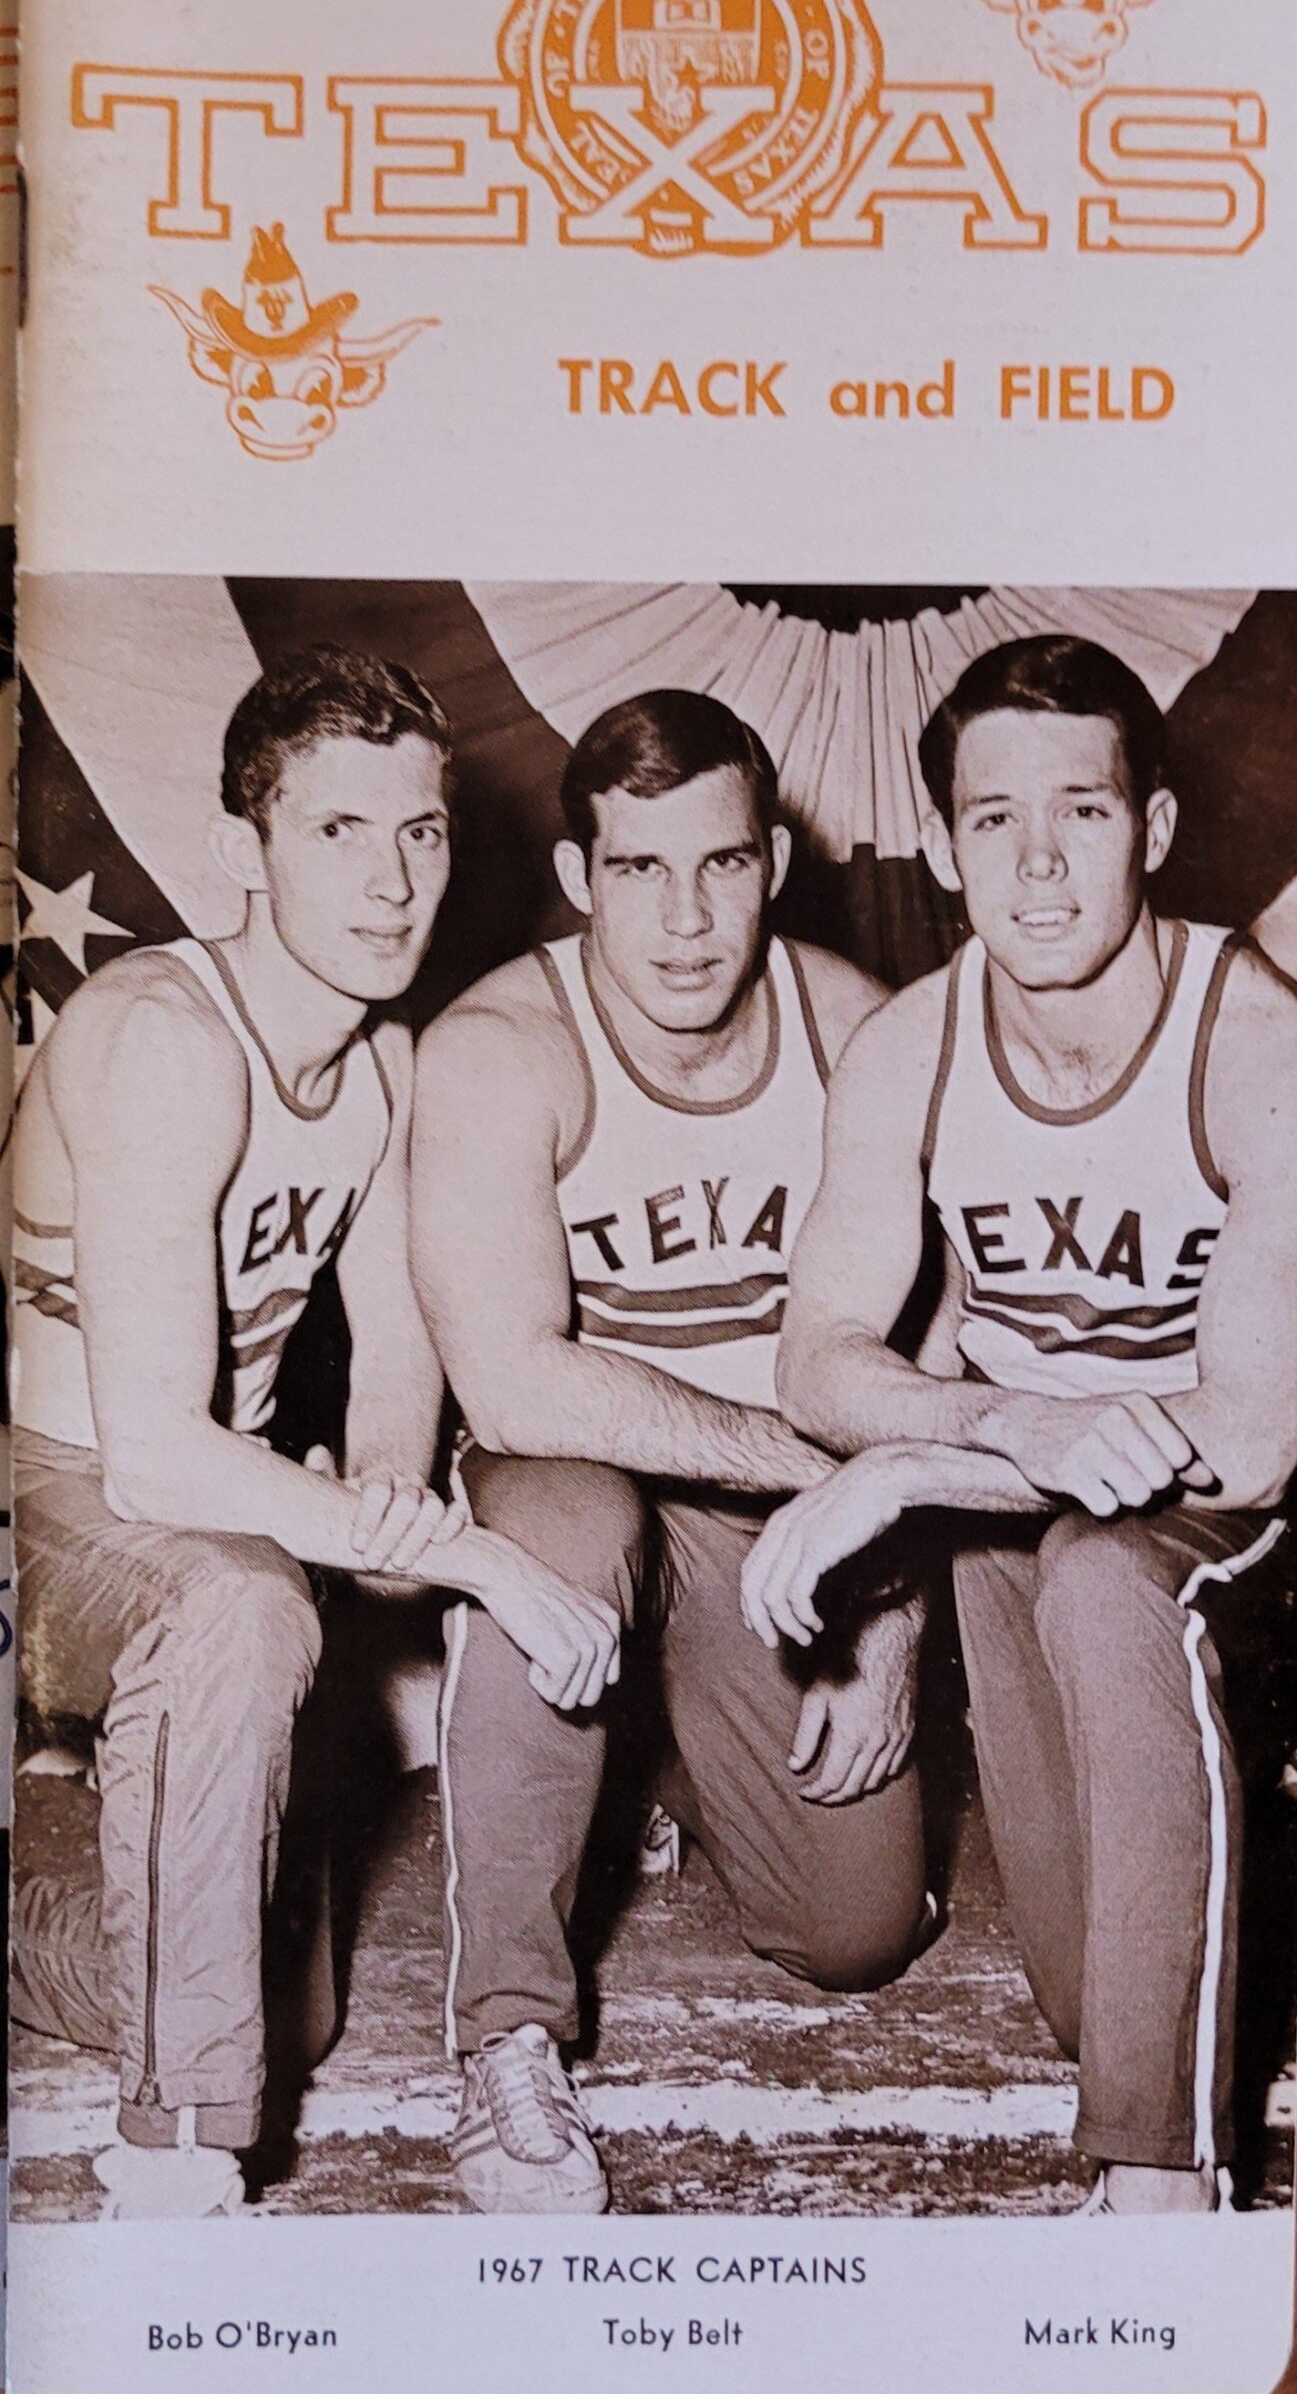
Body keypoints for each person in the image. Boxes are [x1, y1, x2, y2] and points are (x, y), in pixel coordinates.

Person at [11, 646, 619, 2218]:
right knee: (239, 1604)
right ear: (244, 851)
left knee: (293, 2012)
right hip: (54, 1508)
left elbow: (394, 1399)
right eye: (339, 831)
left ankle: (57, 1908)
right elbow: (149, 1451)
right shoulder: (166, 1036)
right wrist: (490, 1562)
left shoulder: (384, 1064)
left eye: (418, 831)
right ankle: (180, 2161)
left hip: (206, 1515)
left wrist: (406, 1509)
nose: (393, 879)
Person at [745, 634, 1297, 2214]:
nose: (1039, 866)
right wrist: (1003, 1433)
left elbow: (1252, 1445)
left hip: (1227, 1517)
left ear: (1157, 831)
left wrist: (922, 1463)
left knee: (1109, 1576)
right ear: (943, 843)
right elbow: (818, 1354)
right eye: (994, 820)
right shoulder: (909, 1044)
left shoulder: (1254, 1044)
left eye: (1084, 814)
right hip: (1027, 1493)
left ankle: (1158, 2187)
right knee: (1089, 1992)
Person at [412, 689, 931, 2216]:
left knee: (853, 1935)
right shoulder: (504, 1044)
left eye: (718, 864)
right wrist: (819, 1476)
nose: (685, 919)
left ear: (772, 859)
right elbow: (513, 1389)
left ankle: (654, 1753)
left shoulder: (857, 1029)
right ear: (581, 878)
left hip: (786, 1522)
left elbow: (936, 1373)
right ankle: (505, 2039)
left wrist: (893, 1601)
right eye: (639, 870)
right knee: (560, 1538)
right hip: (583, 1475)